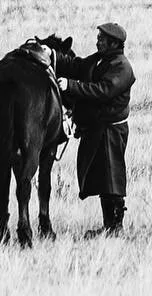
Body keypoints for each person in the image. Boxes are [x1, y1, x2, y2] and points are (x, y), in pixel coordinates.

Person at [54, 21, 135, 236]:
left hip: (111, 131)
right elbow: (77, 66)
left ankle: (115, 228)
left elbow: (103, 91)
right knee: (103, 176)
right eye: (98, 38)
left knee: (111, 178)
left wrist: (71, 86)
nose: (97, 42)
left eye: (102, 39)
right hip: (98, 128)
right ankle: (110, 226)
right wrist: (51, 55)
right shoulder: (100, 60)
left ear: (114, 43)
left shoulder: (122, 67)